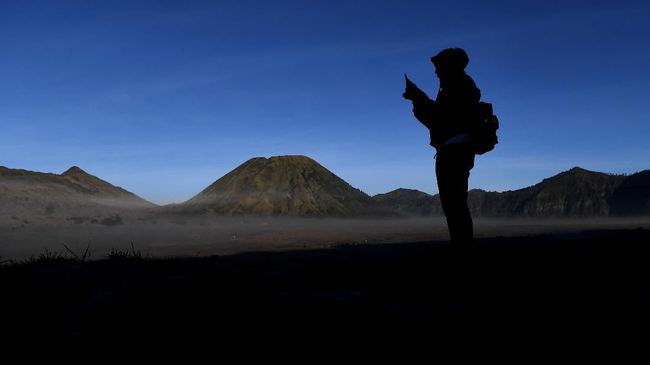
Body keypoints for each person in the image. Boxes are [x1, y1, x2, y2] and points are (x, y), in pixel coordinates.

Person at [403, 48, 480, 251]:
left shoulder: (458, 87)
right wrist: (418, 98)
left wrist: (417, 97)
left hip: (454, 151)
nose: (436, 72)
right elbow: (439, 119)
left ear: (449, 65)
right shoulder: (459, 86)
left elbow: (440, 119)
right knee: (454, 205)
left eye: (439, 67)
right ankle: (462, 248)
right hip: (456, 150)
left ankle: (463, 251)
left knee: (454, 205)